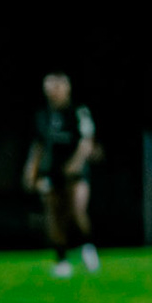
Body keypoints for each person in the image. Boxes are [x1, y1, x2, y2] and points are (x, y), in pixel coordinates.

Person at [22, 73, 99, 277]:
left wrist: (74, 164)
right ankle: (62, 259)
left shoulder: (78, 112)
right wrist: (31, 171)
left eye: (57, 88)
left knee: (77, 210)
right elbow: (38, 146)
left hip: (76, 172)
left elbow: (86, 141)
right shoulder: (43, 115)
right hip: (52, 172)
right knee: (55, 216)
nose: (53, 93)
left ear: (67, 89)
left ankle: (87, 247)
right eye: (49, 89)